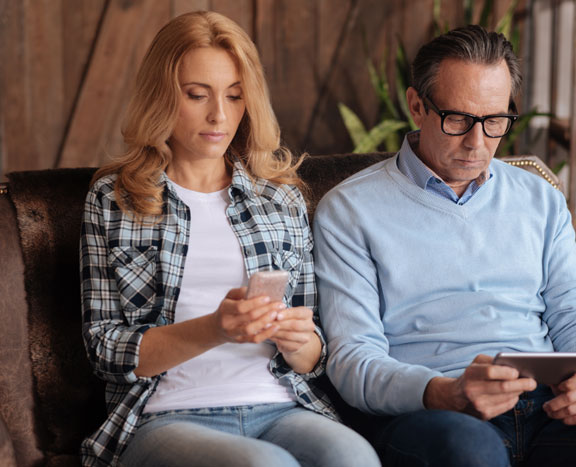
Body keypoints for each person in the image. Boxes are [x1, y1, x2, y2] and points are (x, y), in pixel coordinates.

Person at [313, 25, 576, 466]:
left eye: (495, 121)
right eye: (457, 119)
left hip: (547, 407)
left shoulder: (539, 198)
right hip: (436, 412)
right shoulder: (349, 210)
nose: (477, 144)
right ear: (417, 106)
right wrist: (445, 392)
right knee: (469, 450)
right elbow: (352, 358)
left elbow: (575, 309)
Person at [79, 11, 379, 467]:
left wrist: (300, 341)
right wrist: (215, 328)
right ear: (161, 95)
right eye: (197, 95)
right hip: (166, 417)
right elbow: (103, 348)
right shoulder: (115, 198)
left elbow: (314, 356)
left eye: (235, 96)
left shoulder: (280, 200)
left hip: (280, 404)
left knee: (354, 456)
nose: (220, 115)